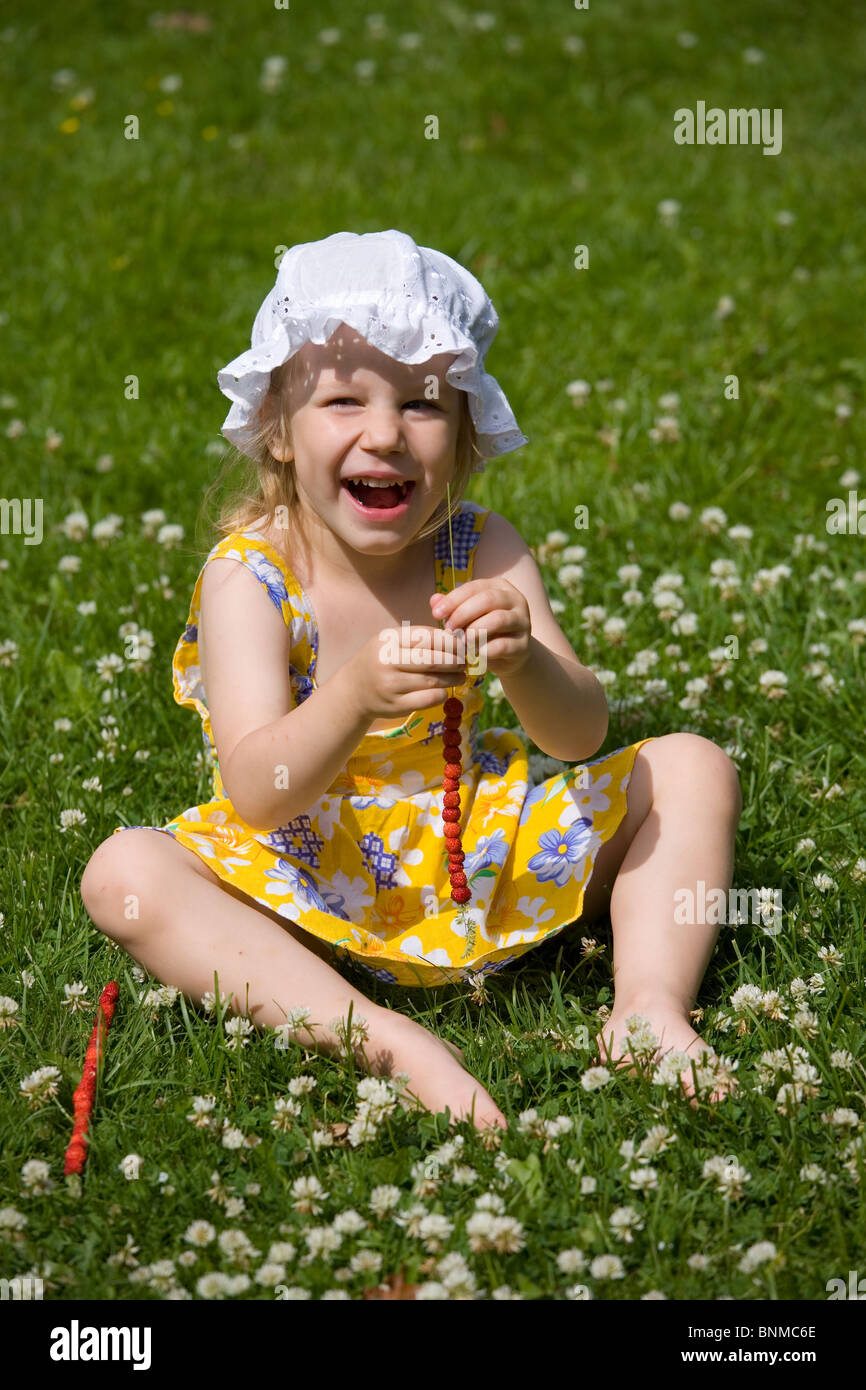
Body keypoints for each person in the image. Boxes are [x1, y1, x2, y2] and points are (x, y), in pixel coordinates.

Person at [80, 229, 742, 1132]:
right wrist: (349, 698)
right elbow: (256, 792)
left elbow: (579, 735)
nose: (385, 434)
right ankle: (383, 1038)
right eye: (344, 399)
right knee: (126, 871)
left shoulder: (481, 548)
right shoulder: (253, 577)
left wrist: (527, 660)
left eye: (423, 406)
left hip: (477, 845)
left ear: (466, 431)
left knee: (694, 765)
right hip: (311, 867)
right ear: (277, 430)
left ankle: (648, 1009)